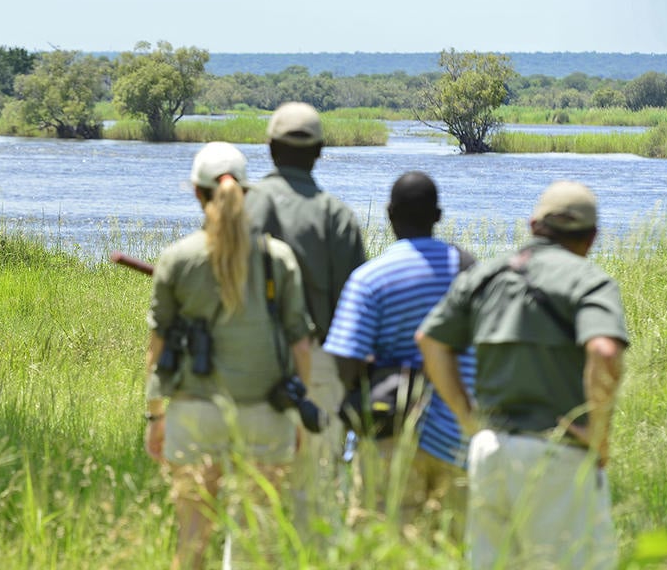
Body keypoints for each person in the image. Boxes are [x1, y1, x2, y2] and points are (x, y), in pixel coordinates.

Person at [416, 180, 628, 569]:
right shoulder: (589, 280)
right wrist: (598, 434)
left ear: (533, 226)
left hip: (488, 450)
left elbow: (430, 340)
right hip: (557, 453)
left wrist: (468, 419)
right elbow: (604, 350)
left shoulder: (487, 276)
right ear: (591, 238)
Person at [145, 141, 314, 570]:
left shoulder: (178, 258)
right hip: (265, 414)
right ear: (246, 190)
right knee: (256, 548)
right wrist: (296, 412)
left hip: (194, 413)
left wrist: (155, 416)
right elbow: (300, 345)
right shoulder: (278, 258)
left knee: (191, 544)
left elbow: (157, 347)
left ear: (197, 193)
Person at [322, 171, 474, 535]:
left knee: (382, 546)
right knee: (448, 550)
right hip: (457, 437)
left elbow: (344, 363)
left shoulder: (370, 279)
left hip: (388, 437)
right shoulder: (470, 273)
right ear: (438, 216)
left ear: (389, 214)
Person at [245, 101, 367, 521]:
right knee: (317, 501)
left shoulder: (243, 205)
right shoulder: (339, 216)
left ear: (270, 147)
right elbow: (356, 315)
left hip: (249, 365)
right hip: (321, 367)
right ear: (318, 152)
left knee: (252, 502)